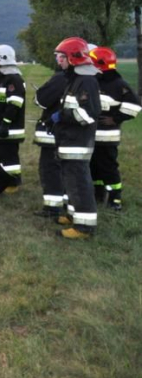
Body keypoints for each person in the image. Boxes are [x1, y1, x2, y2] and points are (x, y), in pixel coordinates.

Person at [51, 37, 101, 240]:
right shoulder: (76, 79)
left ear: (73, 58)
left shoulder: (86, 81)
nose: (59, 61)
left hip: (77, 143)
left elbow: (89, 113)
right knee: (71, 182)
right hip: (69, 141)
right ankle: (74, 216)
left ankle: (84, 227)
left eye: (62, 57)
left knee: (79, 183)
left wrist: (61, 116)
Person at [88, 47, 141, 211]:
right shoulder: (94, 81)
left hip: (107, 138)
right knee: (94, 166)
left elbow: (135, 106)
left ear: (100, 63)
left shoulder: (118, 84)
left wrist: (115, 119)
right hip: (91, 136)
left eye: (91, 61)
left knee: (109, 168)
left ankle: (114, 200)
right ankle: (98, 194)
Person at [0, 45, 26, 192]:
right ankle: (4, 180)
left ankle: (13, 183)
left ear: (3, 58)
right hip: (1, 127)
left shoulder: (13, 79)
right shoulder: (3, 78)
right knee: (1, 155)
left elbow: (15, 103)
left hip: (9, 129)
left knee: (9, 157)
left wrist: (5, 123)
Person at [32, 61, 69, 219]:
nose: (58, 61)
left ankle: (52, 208)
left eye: (61, 57)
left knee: (50, 169)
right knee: (67, 170)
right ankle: (68, 203)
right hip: (71, 135)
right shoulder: (87, 79)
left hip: (54, 133)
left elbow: (41, 99)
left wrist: (41, 92)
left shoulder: (61, 78)